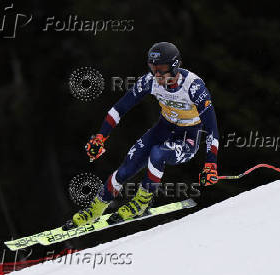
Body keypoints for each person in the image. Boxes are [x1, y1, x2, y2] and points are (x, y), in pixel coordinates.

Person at [69, 42, 220, 227]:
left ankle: (141, 202)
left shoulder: (194, 87)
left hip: (188, 136)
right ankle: (95, 209)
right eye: (153, 68)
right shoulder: (150, 81)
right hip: (163, 128)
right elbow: (119, 108)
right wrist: (101, 136)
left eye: (162, 69)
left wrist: (211, 162)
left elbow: (212, 127)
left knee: (158, 153)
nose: (157, 75)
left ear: (174, 66)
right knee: (125, 170)